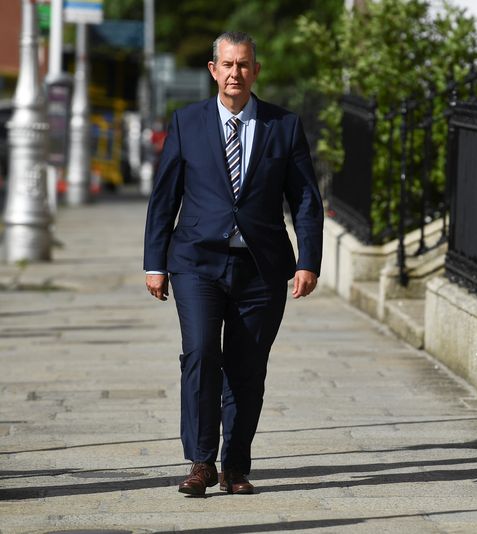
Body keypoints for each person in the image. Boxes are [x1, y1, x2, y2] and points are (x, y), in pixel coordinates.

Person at [143, 31, 323, 496]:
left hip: (260, 268)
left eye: (243, 65)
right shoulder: (187, 122)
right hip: (197, 263)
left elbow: (304, 199)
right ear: (213, 70)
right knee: (201, 353)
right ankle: (200, 462)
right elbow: (165, 197)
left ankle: (235, 466)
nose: (235, 73)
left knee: (247, 368)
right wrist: (154, 262)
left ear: (255, 71)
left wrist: (308, 260)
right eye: (227, 64)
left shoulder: (283, 126)